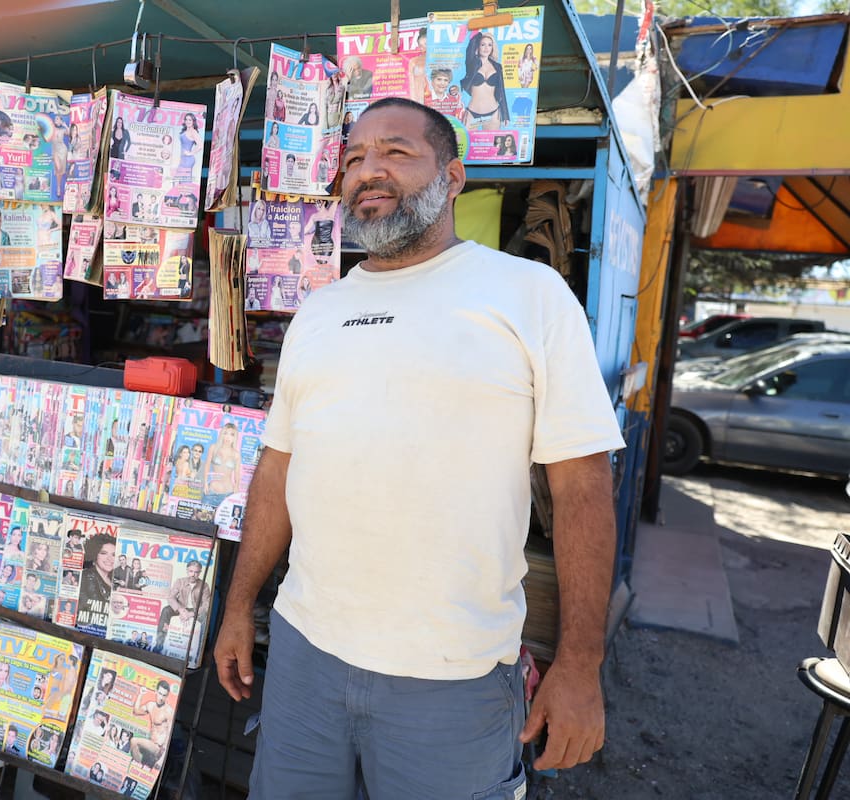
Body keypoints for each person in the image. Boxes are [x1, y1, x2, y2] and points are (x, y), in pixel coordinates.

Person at [213, 98, 624, 798]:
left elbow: (582, 487)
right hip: (305, 659)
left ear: (455, 176)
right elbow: (278, 469)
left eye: (396, 152)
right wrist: (238, 605)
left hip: (454, 678)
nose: (368, 171)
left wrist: (580, 665)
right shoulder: (319, 311)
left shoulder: (529, 293)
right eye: (352, 160)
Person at [155, 559, 211, 651]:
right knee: (166, 610)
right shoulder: (180, 581)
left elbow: (206, 604)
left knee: (205, 617)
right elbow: (171, 597)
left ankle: (199, 651)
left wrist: (191, 614)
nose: (193, 574)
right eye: (191, 571)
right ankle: (159, 644)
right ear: (187, 571)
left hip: (194, 611)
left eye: (196, 572)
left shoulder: (204, 586)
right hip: (180, 608)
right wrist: (180, 610)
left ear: (200, 573)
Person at [461, 31, 510, 131]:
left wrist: (505, 115)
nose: (486, 48)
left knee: (491, 146)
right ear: (477, 47)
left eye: (489, 45)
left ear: (493, 48)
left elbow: (501, 91)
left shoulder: (497, 67)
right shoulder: (472, 63)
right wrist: (480, 34)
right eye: (483, 44)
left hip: (493, 112)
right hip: (472, 112)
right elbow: (470, 48)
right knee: (467, 144)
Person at [130, 680, 174, 768]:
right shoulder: (151, 705)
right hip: (150, 744)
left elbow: (169, 734)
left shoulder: (168, 711)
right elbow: (136, 711)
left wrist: (162, 758)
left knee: (134, 741)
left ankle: (138, 765)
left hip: (158, 748)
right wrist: (140, 694)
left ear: (167, 696)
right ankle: (138, 767)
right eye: (160, 693)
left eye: (164, 695)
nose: (161, 698)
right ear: (156, 692)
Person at [78, 533, 116, 613]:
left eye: (113, 555)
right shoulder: (87, 577)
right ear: (94, 554)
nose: (110, 559)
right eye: (103, 553)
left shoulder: (114, 579)